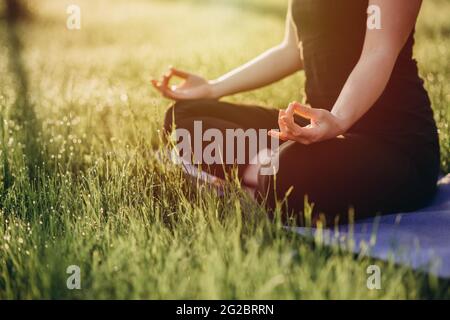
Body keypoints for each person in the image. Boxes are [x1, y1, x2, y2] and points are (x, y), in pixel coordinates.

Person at [151, 0, 440, 224]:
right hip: (311, 133)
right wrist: (214, 88)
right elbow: (291, 50)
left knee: (290, 170)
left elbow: (380, 51)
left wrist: (338, 119)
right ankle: (261, 183)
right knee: (183, 119)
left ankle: (245, 181)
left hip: (394, 147)